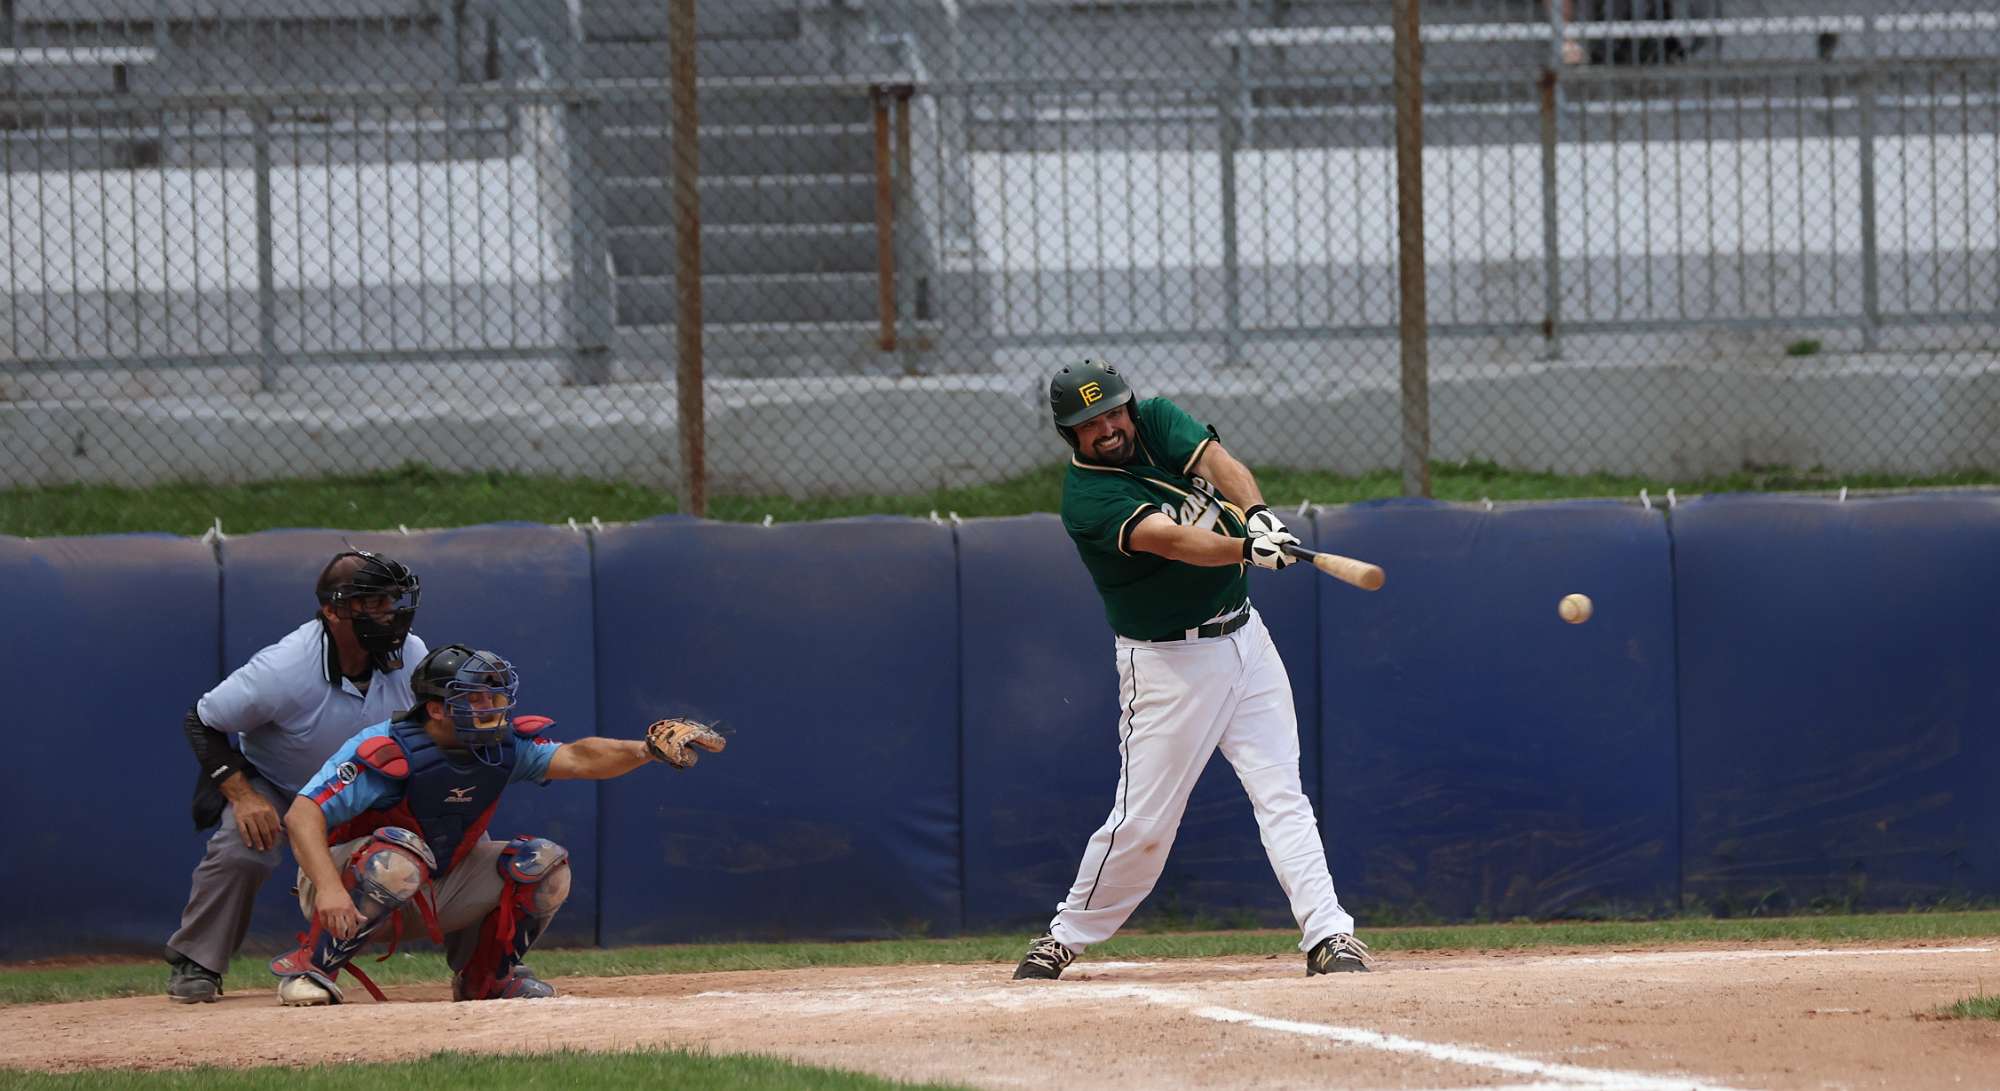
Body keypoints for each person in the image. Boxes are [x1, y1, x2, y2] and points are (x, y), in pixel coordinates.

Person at [1013, 359, 1369, 980]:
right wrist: (1246, 549)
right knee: (1144, 824)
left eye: (1113, 412)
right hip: (1169, 664)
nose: (1108, 428)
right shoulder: (1089, 499)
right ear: (1070, 434)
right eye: (1090, 423)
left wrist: (1257, 514)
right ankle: (1065, 935)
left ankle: (1329, 934)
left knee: (1281, 792)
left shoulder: (1155, 420)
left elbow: (1217, 463)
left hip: (1246, 637)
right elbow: (1175, 541)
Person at [269, 644, 726, 1005]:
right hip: (345, 886)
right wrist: (327, 889)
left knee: (543, 863)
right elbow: (302, 815)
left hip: (434, 879)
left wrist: (644, 750)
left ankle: (486, 978)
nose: (490, 707)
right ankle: (313, 967)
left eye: (494, 696)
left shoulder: (502, 746)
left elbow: (578, 757)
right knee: (400, 854)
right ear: (436, 709)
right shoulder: (385, 748)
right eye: (474, 698)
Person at [164, 550, 426, 1003]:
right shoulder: (284, 668)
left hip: (369, 787)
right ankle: (197, 961)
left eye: (391, 600)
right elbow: (201, 720)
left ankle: (486, 963)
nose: (389, 613)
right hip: (283, 784)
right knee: (243, 849)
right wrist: (243, 796)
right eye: (373, 602)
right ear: (332, 610)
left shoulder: (412, 653)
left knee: (449, 827)